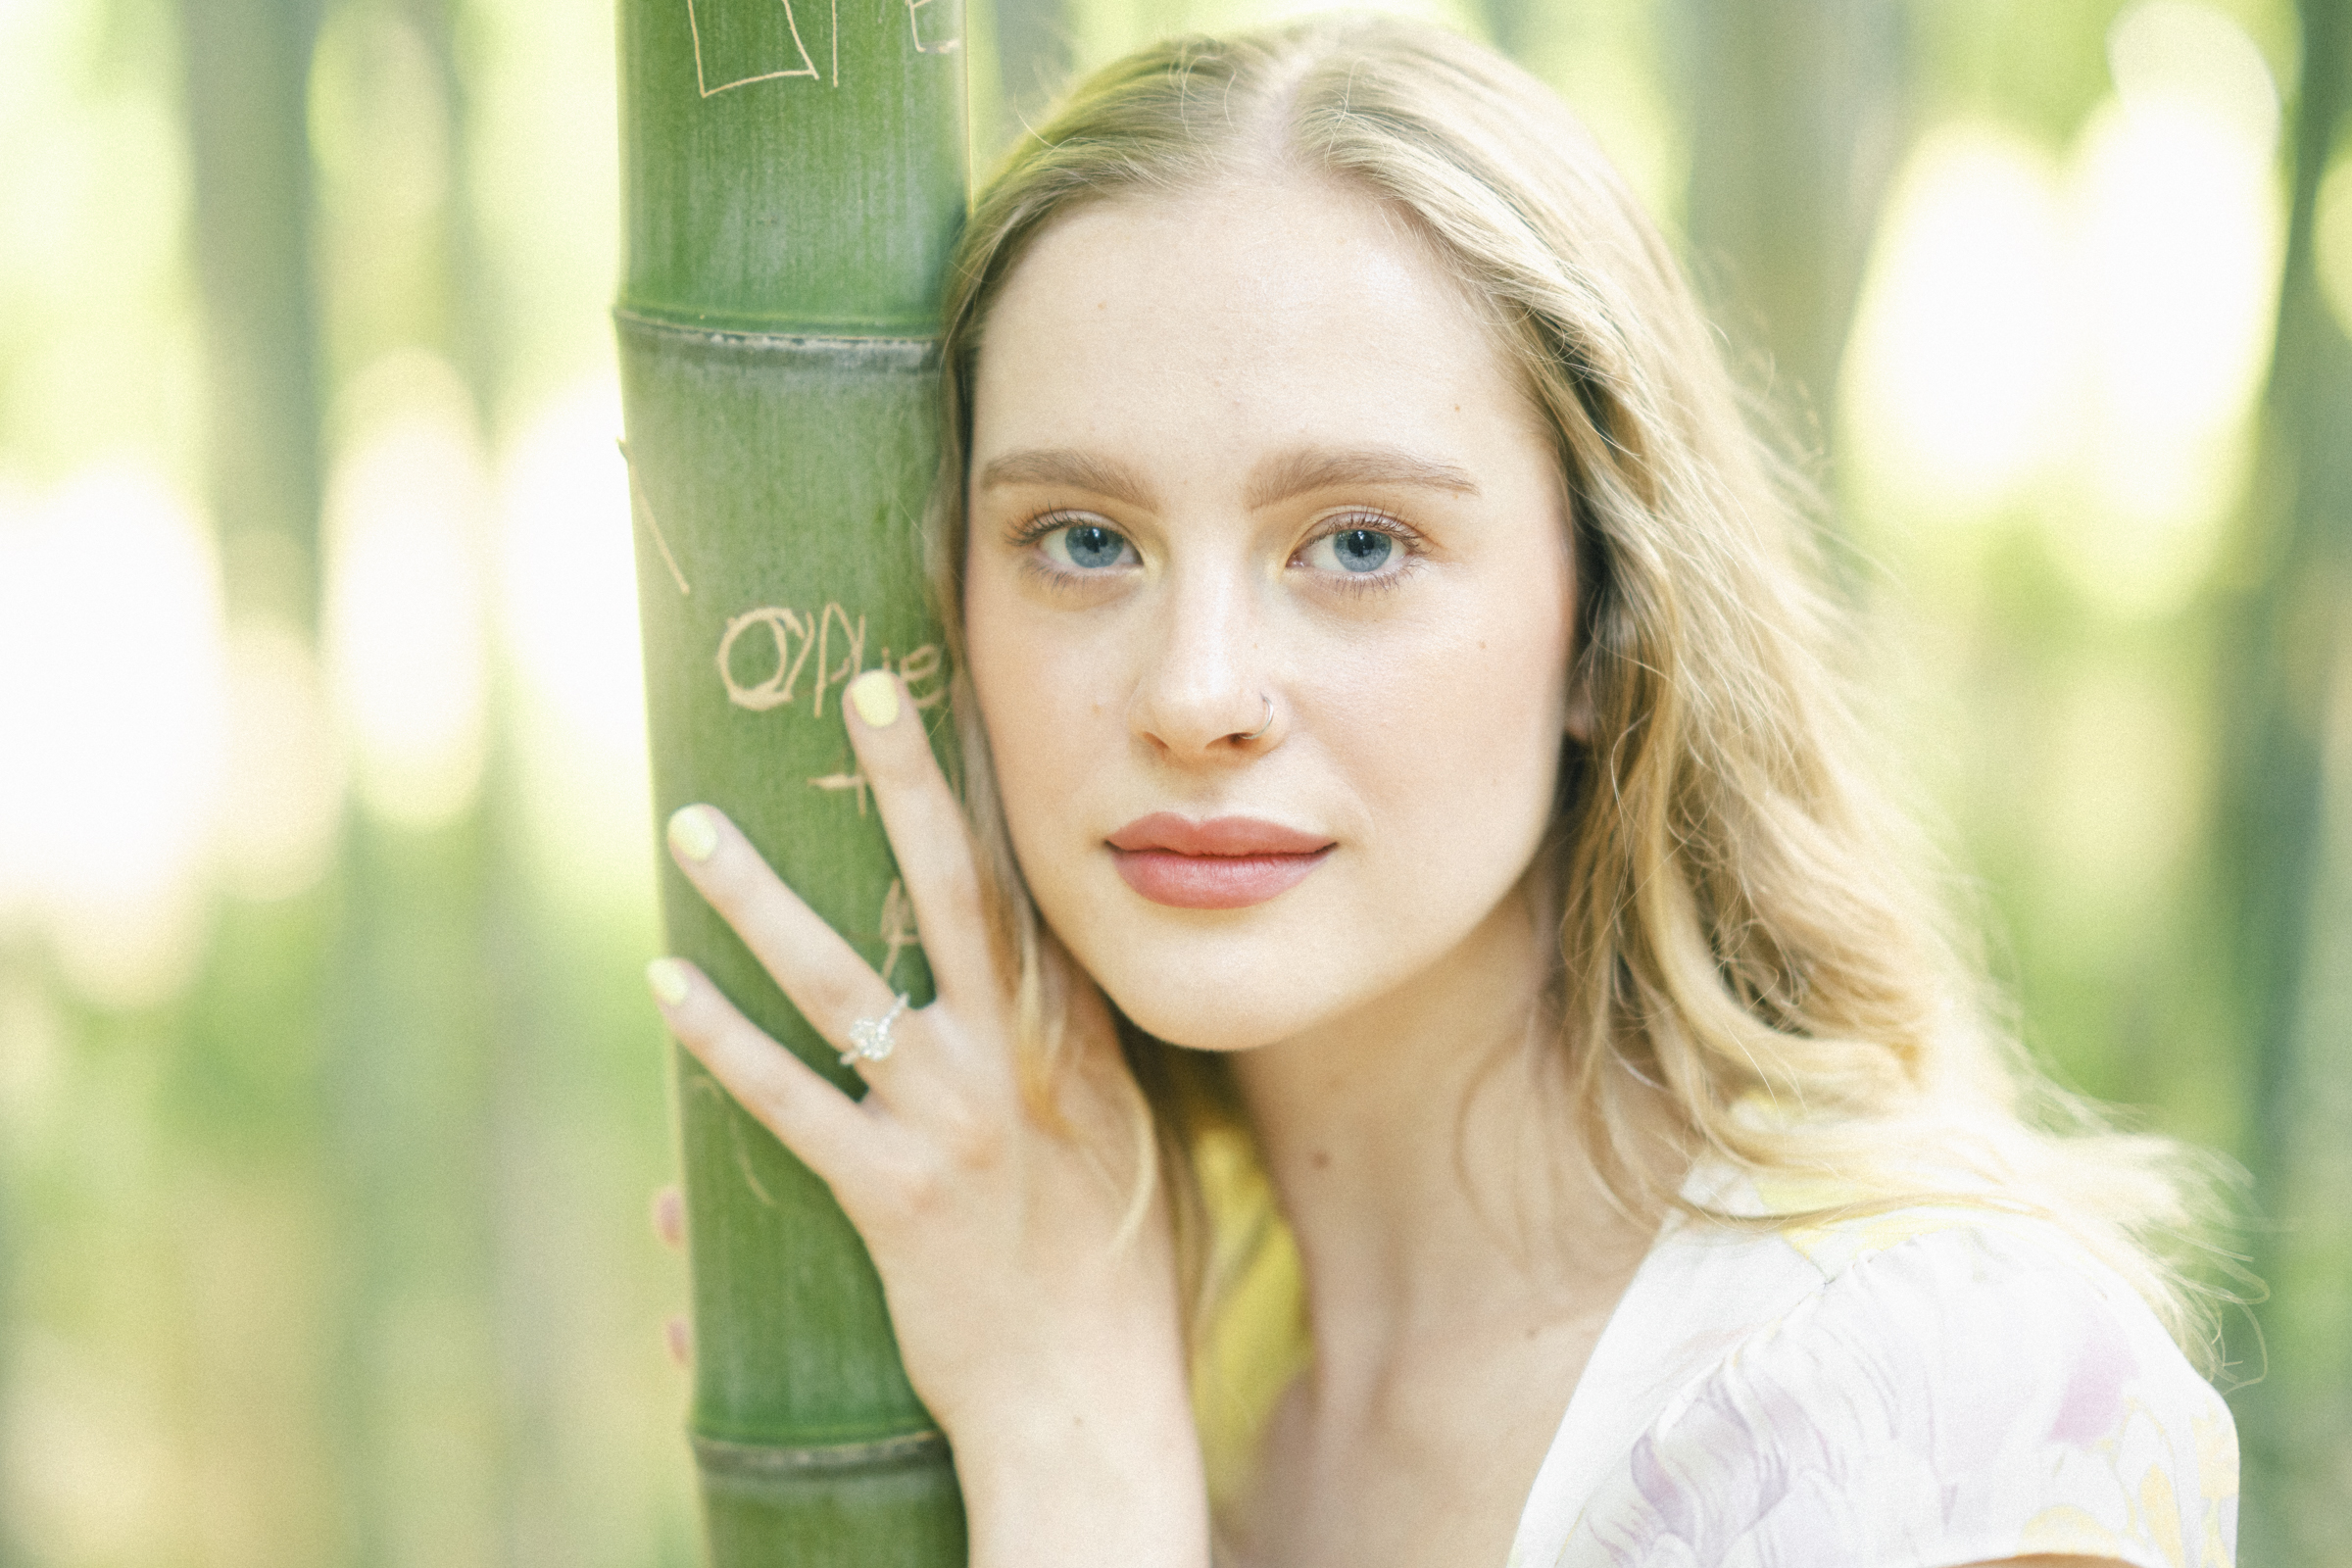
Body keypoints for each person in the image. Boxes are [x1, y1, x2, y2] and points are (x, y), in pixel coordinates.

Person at [640, 16, 2240, 1567]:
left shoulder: (1909, 1411)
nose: (1196, 694)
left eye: (1357, 544)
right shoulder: (1118, 1317)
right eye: (1084, 540)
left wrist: (1084, 1472)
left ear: (1610, 629)